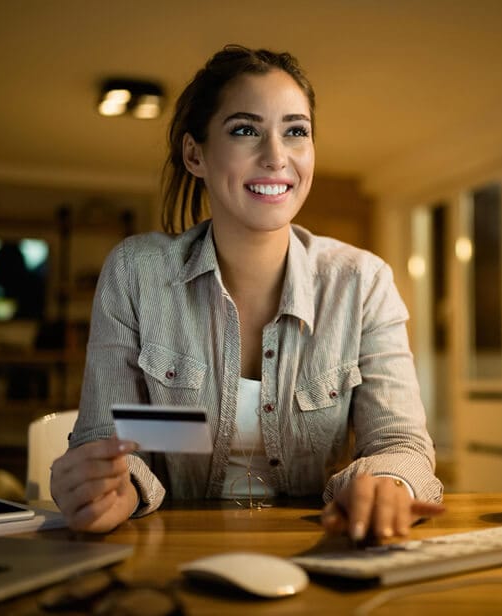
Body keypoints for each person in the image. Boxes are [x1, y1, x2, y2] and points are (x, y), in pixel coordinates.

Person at [50, 44, 444, 538]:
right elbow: (105, 440)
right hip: (170, 552)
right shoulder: (135, 272)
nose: (277, 156)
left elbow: (402, 443)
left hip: (318, 548)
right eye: (245, 130)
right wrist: (112, 487)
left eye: (296, 131)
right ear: (195, 154)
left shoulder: (364, 282)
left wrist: (388, 483)